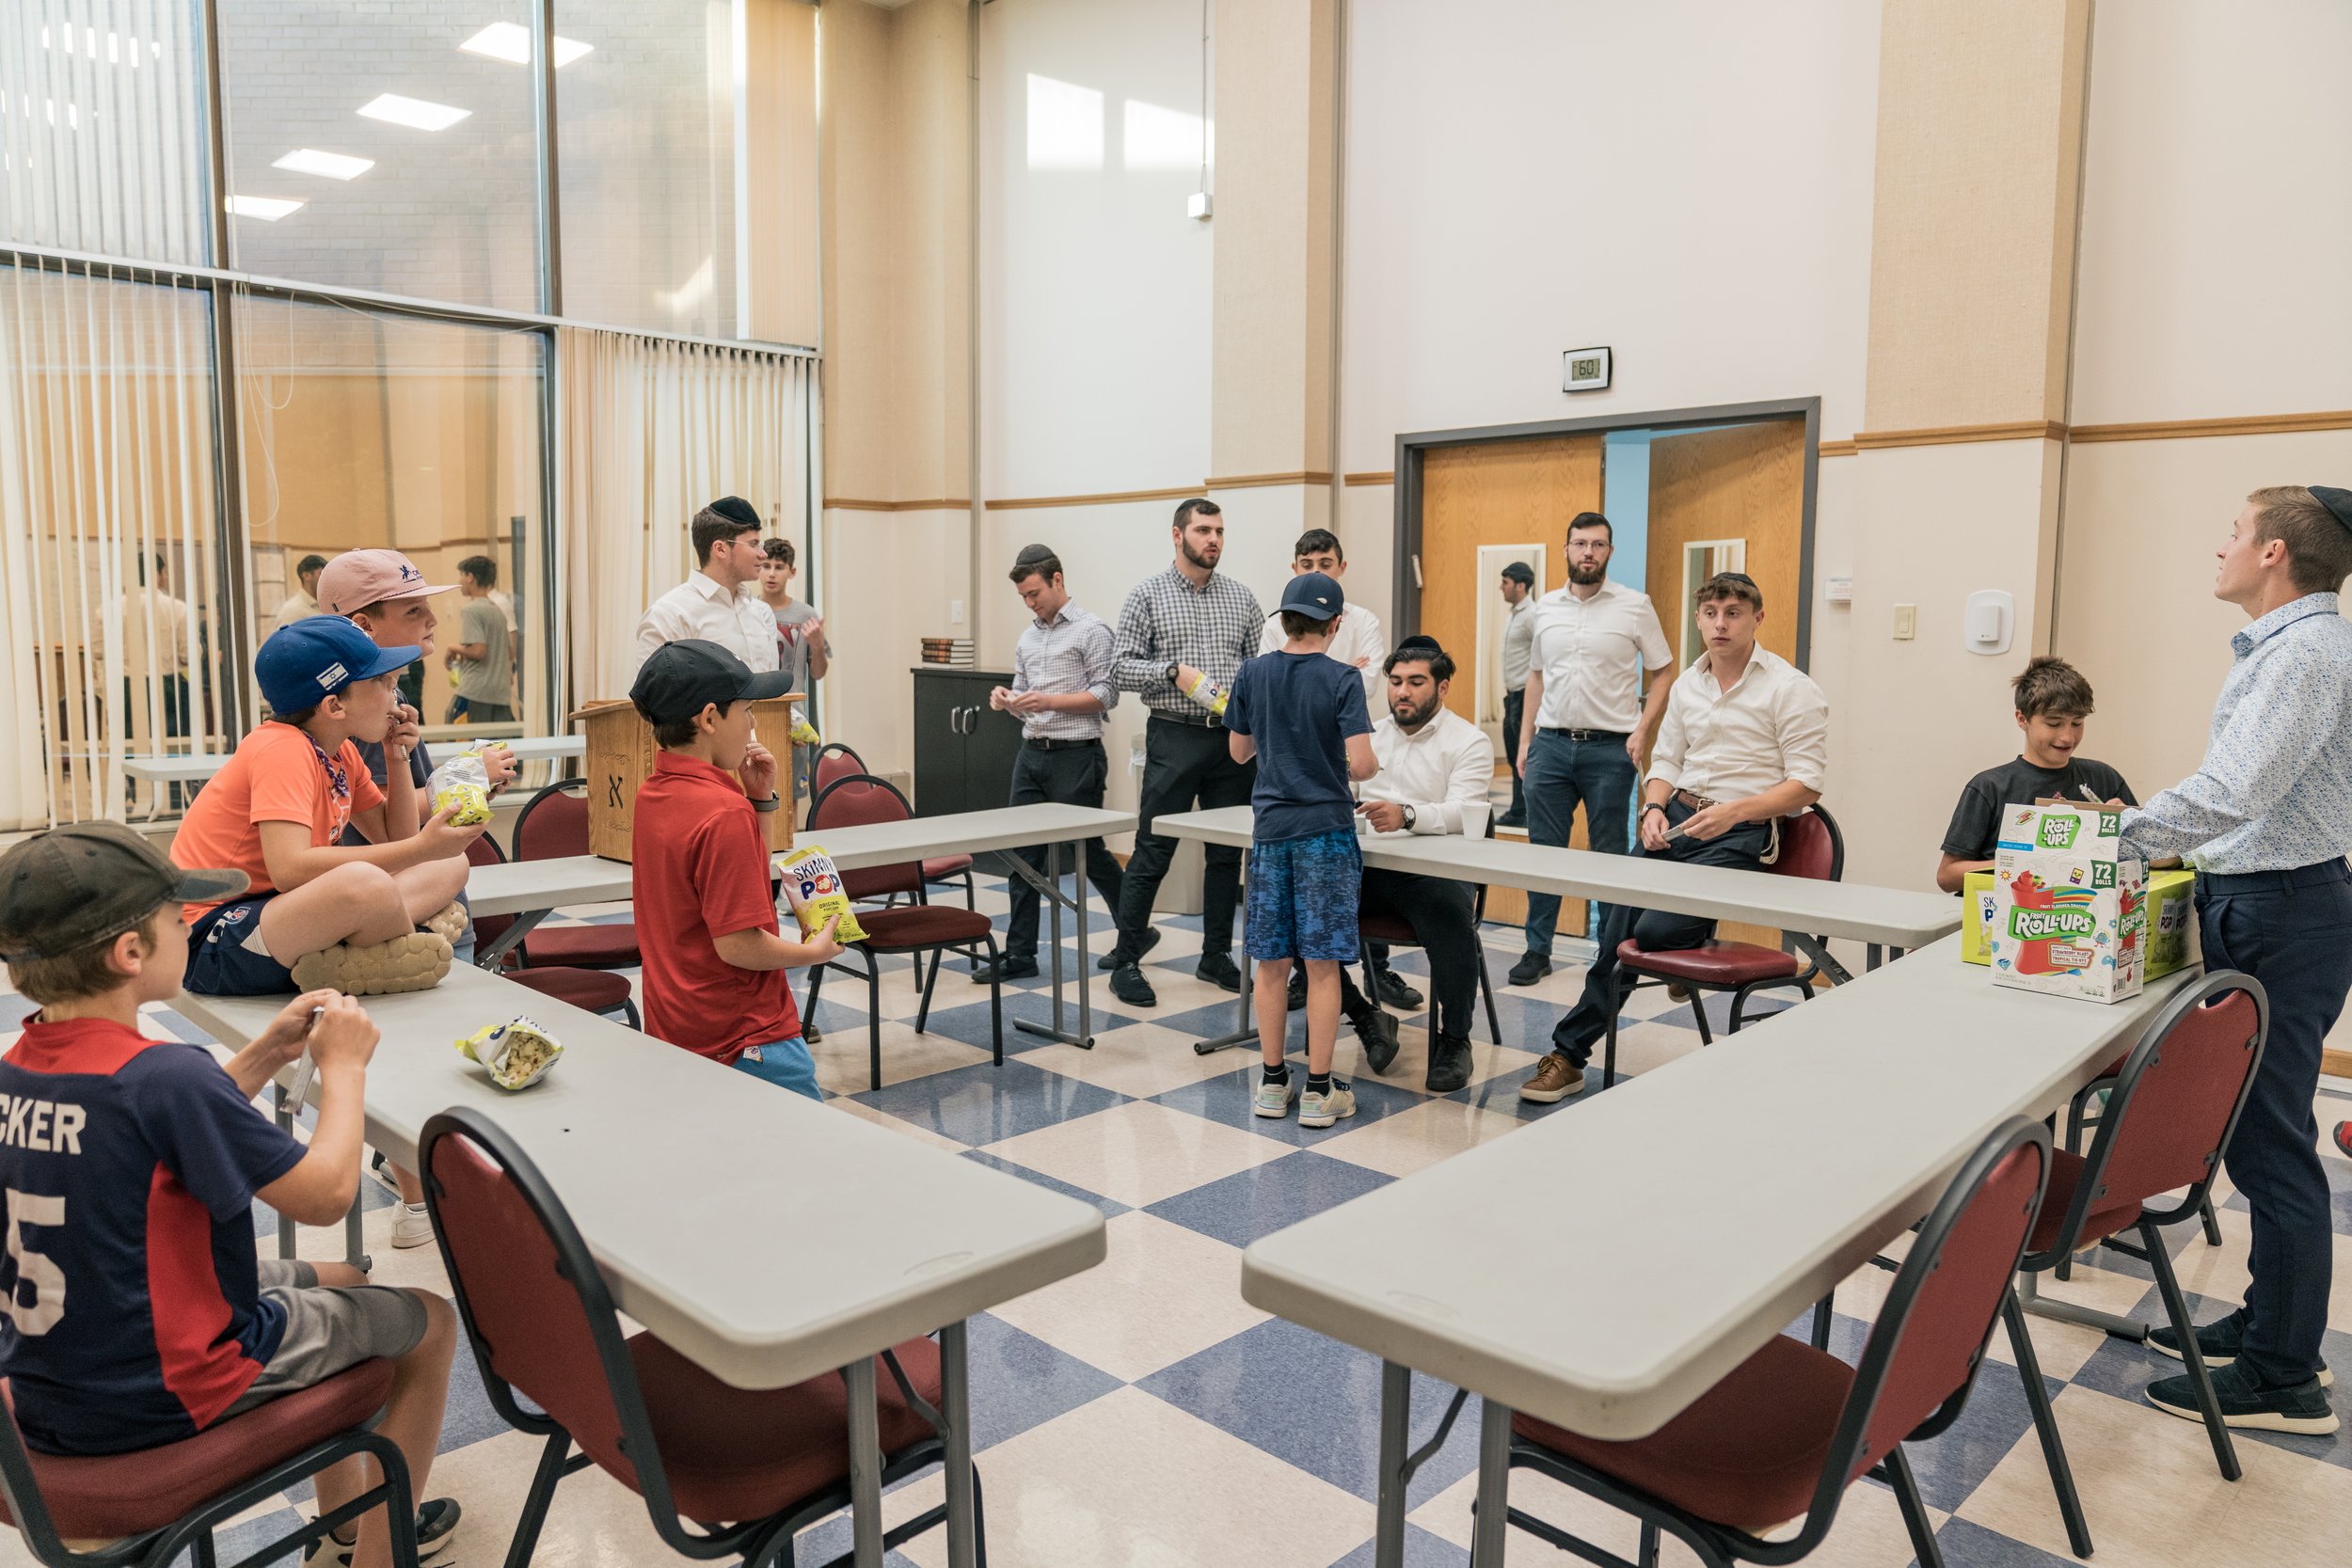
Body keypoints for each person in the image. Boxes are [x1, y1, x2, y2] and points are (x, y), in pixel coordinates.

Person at [0, 823, 462, 1567]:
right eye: (173, 914)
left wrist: (258, 1058)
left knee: (344, 1277)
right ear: (130, 953)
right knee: (430, 1321)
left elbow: (143, 1142)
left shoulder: (19, 1068)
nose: (189, 923)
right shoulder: (168, 1078)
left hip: (61, 1385)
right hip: (163, 1391)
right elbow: (324, 1194)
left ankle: (344, 1526)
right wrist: (341, 1069)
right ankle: (381, 1556)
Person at [2121, 483, 2352, 1437]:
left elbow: (2237, 787)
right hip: (2261, 901)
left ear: (2272, 553)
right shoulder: (2288, 648)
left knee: (2270, 1139)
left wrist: (2116, 834)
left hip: (2281, 910)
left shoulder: (2304, 651)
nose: (2219, 546)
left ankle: (2285, 1373)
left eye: (2232, 532)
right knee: (2255, 1129)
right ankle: (2267, 1320)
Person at [1521, 572, 1827, 1102]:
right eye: (1710, 613)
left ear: (1758, 618)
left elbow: (1806, 785)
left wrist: (1735, 812)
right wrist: (1655, 806)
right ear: (1699, 620)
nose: (1720, 624)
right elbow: (1667, 761)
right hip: (1680, 819)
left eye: (1733, 613)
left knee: (1654, 933)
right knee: (1615, 934)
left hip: (1742, 832)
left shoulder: (1791, 688)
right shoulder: (1689, 684)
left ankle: (1676, 942)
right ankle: (1569, 1057)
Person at [322, 547, 516, 1250]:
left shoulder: (385, 704)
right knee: (406, 1053)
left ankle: (424, 1176)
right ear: (362, 625)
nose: (432, 618)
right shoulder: (351, 715)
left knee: (430, 1047)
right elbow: (392, 837)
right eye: (412, 611)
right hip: (377, 915)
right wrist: (470, 775)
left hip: (401, 901)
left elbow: (404, 827)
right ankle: (416, 1187)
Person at [168, 617, 484, 1000]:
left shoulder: (340, 752)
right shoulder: (281, 749)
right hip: (216, 938)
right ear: (334, 705)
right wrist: (421, 848)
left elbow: (395, 838)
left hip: (283, 914)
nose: (395, 693)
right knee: (364, 882)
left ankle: (359, 955)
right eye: (380, 683)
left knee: (451, 863)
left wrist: (397, 755)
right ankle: (401, 943)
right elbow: (289, 870)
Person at [628, 641, 844, 1101]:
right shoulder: (722, 810)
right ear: (708, 719)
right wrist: (814, 951)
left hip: (679, 1026)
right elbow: (738, 945)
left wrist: (759, 803)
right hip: (746, 1036)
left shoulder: (654, 793)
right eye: (746, 709)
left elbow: (736, 886)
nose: (752, 722)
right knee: (812, 1163)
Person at [1226, 571, 1377, 1129]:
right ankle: (1317, 1091)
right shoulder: (1342, 679)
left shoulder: (1252, 672)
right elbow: (1361, 765)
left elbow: (1239, 752)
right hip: (1325, 836)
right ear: (1335, 625)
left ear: (1282, 620)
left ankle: (1271, 1085)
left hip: (1270, 834)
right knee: (1321, 965)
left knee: (1270, 962)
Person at [1104, 498, 1264, 1007]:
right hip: (1174, 734)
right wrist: (1170, 671)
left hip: (1232, 740)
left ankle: (1216, 954)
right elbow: (1120, 669)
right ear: (1178, 535)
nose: (1213, 539)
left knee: (1225, 854)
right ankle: (1127, 959)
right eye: (1202, 530)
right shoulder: (1146, 596)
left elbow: (1258, 668)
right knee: (1153, 849)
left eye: (1219, 530)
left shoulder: (1242, 599)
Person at [1260, 530, 1419, 1015]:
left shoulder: (1364, 618)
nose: (1316, 572)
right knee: (1309, 907)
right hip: (1294, 770)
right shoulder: (1274, 624)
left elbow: (1370, 683)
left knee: (1346, 881)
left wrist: (1327, 677)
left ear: (1341, 568)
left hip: (1342, 758)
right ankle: (1311, 980)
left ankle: (1378, 968)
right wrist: (1338, 672)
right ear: (1294, 568)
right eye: (1306, 564)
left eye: (1325, 563)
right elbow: (1339, 677)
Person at [1511, 512, 1674, 987]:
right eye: (1580, 543)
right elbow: (1536, 675)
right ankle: (1536, 949)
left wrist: (1643, 730)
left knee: (1607, 855)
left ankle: (1610, 950)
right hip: (1551, 745)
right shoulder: (1545, 609)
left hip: (1610, 751)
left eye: (1598, 545)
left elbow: (1663, 671)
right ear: (1565, 549)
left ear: (1609, 552)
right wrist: (1525, 741)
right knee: (1546, 854)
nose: (1588, 552)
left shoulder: (1634, 605)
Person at [972, 546, 1124, 985]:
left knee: (1089, 851)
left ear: (1057, 580)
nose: (1030, 602)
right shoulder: (1029, 637)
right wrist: (1007, 701)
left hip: (1077, 755)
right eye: (1023, 596)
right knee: (1022, 854)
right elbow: (1027, 699)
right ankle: (1021, 954)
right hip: (1032, 753)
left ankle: (1133, 932)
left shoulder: (1092, 630)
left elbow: (1107, 695)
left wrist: (1050, 701)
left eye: (1035, 592)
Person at [1353, 636, 1496, 1093]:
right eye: (1395, 682)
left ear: (1443, 687)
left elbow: (1466, 810)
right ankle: (1366, 1017)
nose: (1403, 692)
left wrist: (1407, 814)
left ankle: (1455, 1040)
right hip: (1370, 869)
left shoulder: (1469, 741)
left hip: (1433, 874)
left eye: (1416, 682)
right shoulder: (1369, 735)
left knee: (1451, 918)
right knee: (1296, 909)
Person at [1936, 656, 2136, 893]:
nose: (2067, 737)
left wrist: (2127, 828)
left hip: (2082, 914)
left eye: (2077, 723)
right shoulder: (1990, 787)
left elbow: (2153, 858)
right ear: (2022, 719)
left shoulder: (2104, 778)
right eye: (2053, 724)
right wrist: (2025, 863)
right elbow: (1947, 876)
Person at [630, 497, 781, 683]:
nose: (763, 554)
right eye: (753, 544)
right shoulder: (669, 615)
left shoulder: (761, 612)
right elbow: (651, 700)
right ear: (721, 549)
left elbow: (774, 694)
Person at [757, 536, 830, 802]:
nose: (772, 574)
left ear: (792, 571)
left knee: (790, 798)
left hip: (794, 720)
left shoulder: (805, 614)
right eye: (766, 566)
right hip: (757, 714)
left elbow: (818, 673)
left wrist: (818, 646)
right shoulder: (749, 610)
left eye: (779, 567)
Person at [443, 555, 516, 724]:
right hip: (500, 694)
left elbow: (479, 651)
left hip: (475, 694)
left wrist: (453, 648)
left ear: (470, 577)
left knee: (465, 745)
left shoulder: (471, 610)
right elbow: (509, 652)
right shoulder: (498, 611)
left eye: (461, 576)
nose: (459, 581)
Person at [1498, 560, 1536, 829]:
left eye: (1506, 582)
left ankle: (1524, 810)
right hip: (1512, 696)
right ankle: (1517, 808)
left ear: (1520, 585)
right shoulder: (1514, 614)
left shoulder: (1533, 614)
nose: (1501, 587)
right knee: (1513, 753)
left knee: (1523, 754)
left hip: (1525, 695)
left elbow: (1542, 657)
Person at [274, 553, 327, 632]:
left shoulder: (326, 605)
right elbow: (284, 642)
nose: (325, 578)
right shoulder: (292, 610)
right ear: (306, 576)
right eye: (321, 573)